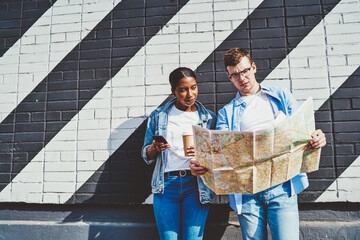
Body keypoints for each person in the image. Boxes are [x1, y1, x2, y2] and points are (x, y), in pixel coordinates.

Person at [190, 47, 326, 240]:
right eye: (235, 74)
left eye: (244, 71)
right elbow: (218, 153)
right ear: (229, 77)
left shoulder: (281, 96)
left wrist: (317, 137)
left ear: (253, 67)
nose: (242, 78)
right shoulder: (226, 113)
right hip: (247, 193)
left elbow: (304, 130)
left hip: (282, 186)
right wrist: (202, 165)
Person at [142, 67, 216, 240]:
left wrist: (202, 153)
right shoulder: (159, 116)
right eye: (183, 89)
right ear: (173, 91)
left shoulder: (209, 118)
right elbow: (146, 154)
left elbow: (219, 155)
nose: (190, 94)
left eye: (193, 87)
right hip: (166, 185)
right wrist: (154, 148)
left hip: (196, 185)